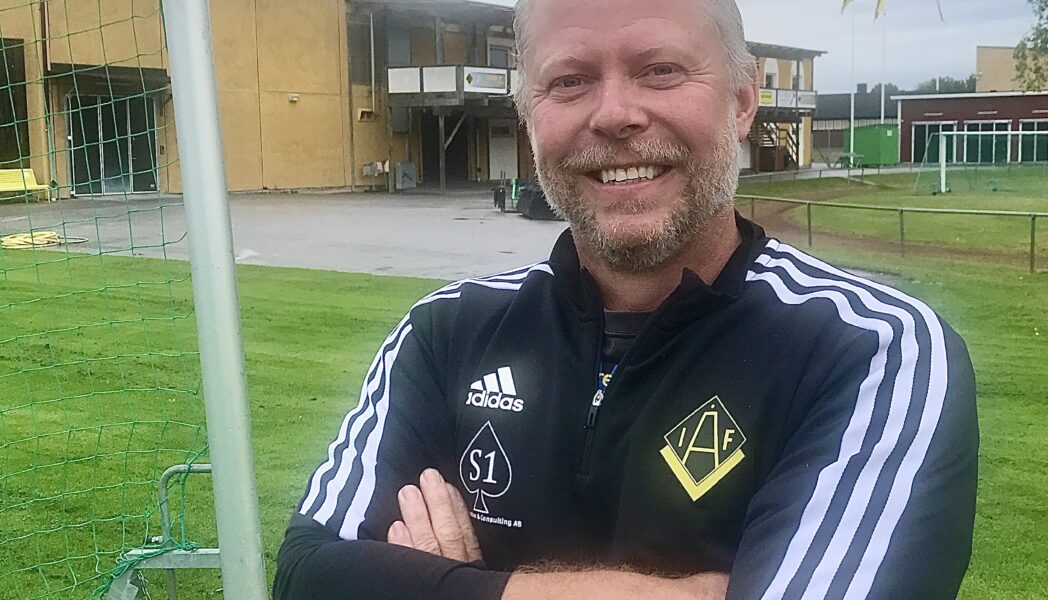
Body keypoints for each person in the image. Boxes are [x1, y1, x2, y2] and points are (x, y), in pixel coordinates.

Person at [273, 0, 978, 597]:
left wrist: (444, 583)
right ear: (528, 118)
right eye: (570, 80)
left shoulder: (870, 349)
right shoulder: (445, 334)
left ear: (742, 101)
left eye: (660, 70)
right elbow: (307, 575)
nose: (614, 114)